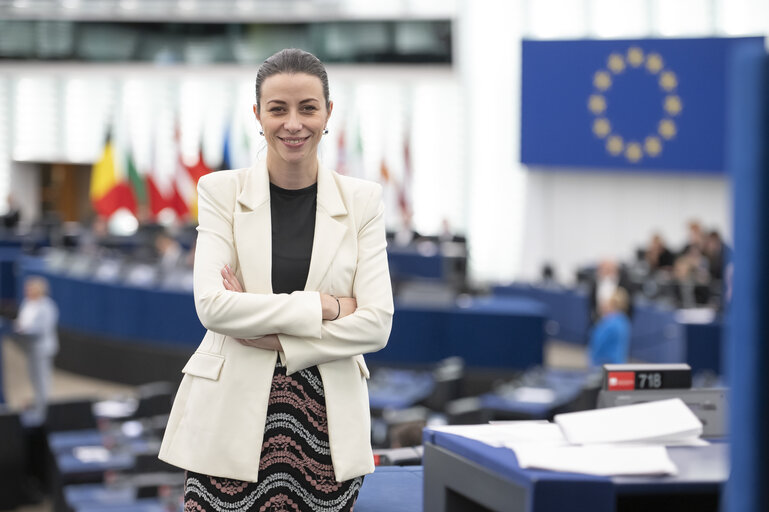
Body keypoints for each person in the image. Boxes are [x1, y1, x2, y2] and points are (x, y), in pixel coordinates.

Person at [159, 49, 394, 512]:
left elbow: (377, 325)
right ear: (257, 115)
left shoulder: (364, 200)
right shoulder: (220, 191)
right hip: (228, 419)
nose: (293, 123)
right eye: (278, 109)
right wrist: (325, 307)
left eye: (308, 107)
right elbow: (213, 307)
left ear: (328, 113)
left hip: (323, 428)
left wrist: (281, 342)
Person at [13, 276, 59, 425]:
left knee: (42, 381)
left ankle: (42, 414)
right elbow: (21, 321)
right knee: (33, 378)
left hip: (42, 348)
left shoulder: (47, 306)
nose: (26, 290)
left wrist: (24, 330)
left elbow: (42, 328)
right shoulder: (27, 303)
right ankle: (37, 409)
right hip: (30, 347)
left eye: (30, 288)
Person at [588, 287, 631, 367]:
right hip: (618, 364)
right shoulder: (624, 321)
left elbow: (598, 345)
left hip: (603, 366)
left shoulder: (608, 323)